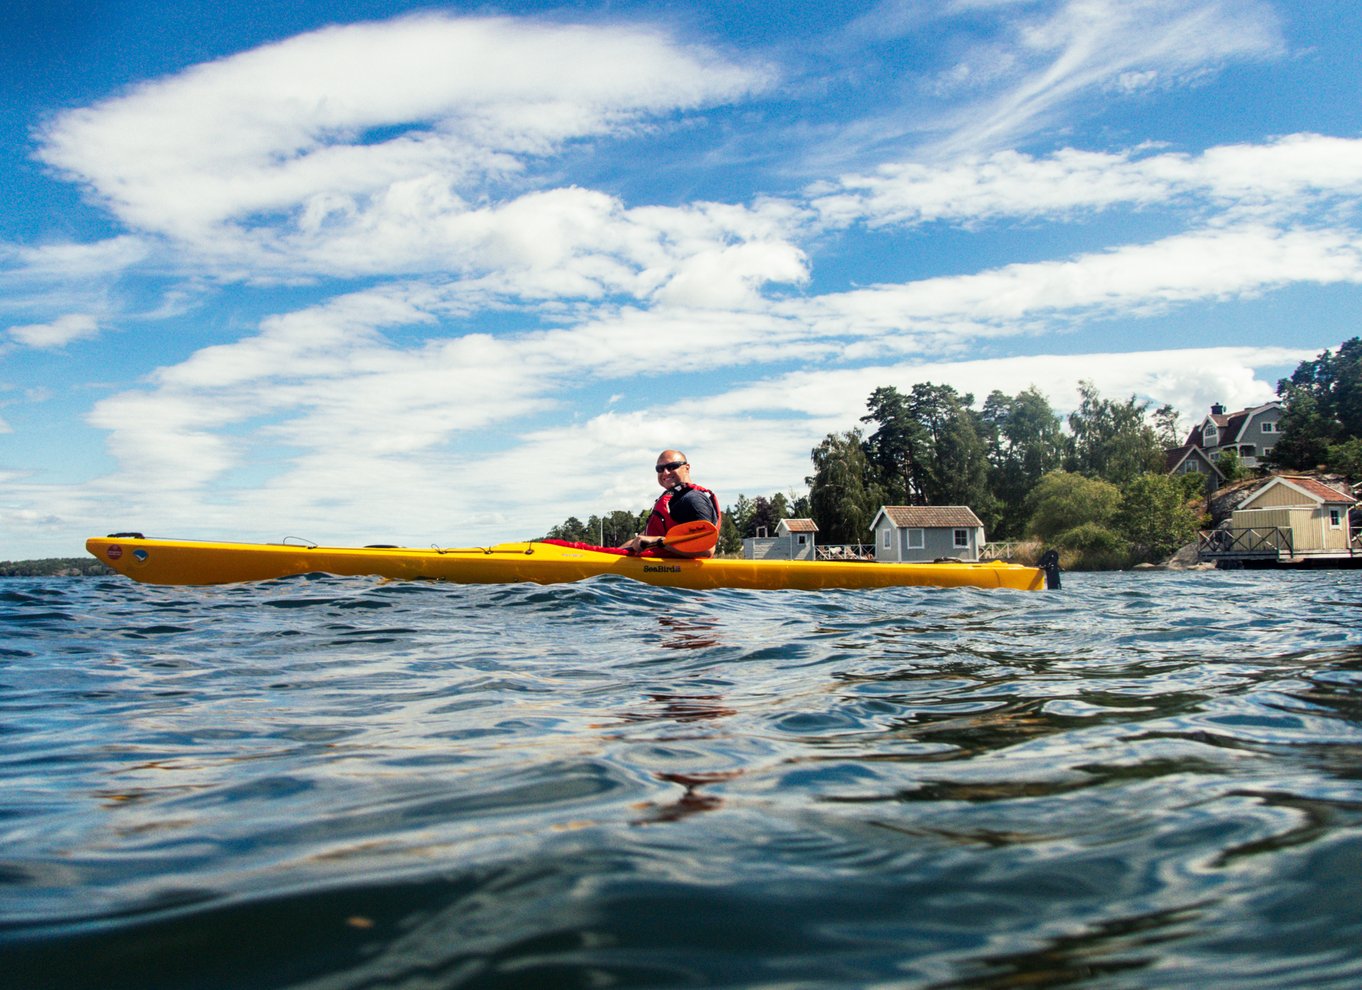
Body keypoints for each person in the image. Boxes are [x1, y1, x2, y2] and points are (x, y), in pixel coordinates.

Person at [620, 450, 720, 557]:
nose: (665, 472)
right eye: (660, 469)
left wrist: (658, 542)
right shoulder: (673, 501)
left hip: (681, 572)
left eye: (672, 466)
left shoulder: (693, 500)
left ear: (687, 468)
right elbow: (643, 538)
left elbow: (707, 550)